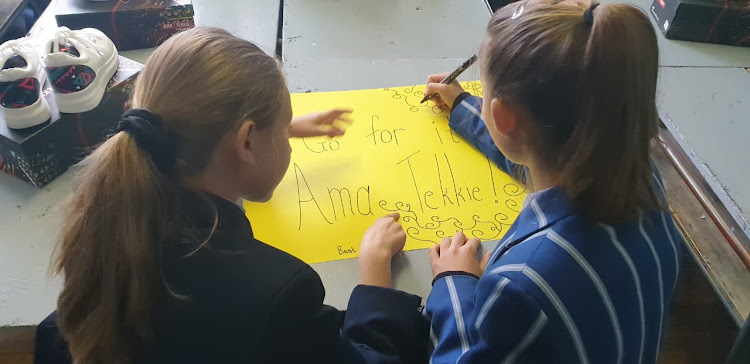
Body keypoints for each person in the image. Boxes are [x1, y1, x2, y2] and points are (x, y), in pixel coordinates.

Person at [40, 27, 428, 364]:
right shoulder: (280, 295)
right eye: (280, 132)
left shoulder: (107, 211)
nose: (286, 140)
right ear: (245, 142)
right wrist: (375, 279)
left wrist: (278, 129)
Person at [421, 1, 682, 363]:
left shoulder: (521, 285)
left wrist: (454, 281)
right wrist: (464, 105)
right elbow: (534, 145)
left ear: (503, 116)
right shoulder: (639, 175)